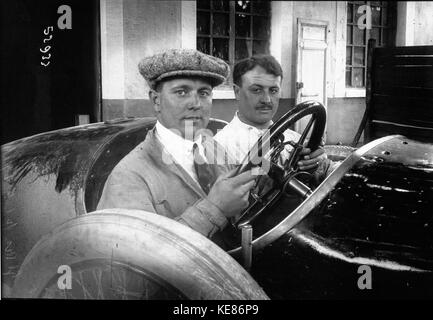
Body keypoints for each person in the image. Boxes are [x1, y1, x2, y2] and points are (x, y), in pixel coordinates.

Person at [97, 49, 257, 239]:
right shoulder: (129, 176)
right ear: (156, 101)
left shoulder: (213, 147)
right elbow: (137, 256)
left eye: (204, 93)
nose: (195, 103)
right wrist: (215, 209)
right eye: (181, 92)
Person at [214, 54, 334, 181]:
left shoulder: (295, 139)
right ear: (237, 92)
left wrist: (318, 167)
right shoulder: (219, 147)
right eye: (256, 90)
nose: (267, 100)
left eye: (273, 90)